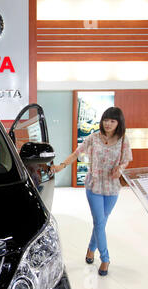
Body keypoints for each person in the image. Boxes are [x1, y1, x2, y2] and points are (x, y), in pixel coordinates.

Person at [50, 107, 132, 276]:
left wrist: (120, 168)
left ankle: (90, 249)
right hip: (94, 186)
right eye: (106, 120)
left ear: (119, 123)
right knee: (100, 222)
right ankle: (105, 258)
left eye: (112, 121)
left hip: (112, 188)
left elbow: (125, 161)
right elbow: (76, 154)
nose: (108, 124)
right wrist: (61, 166)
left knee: (100, 222)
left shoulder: (123, 140)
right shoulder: (93, 138)